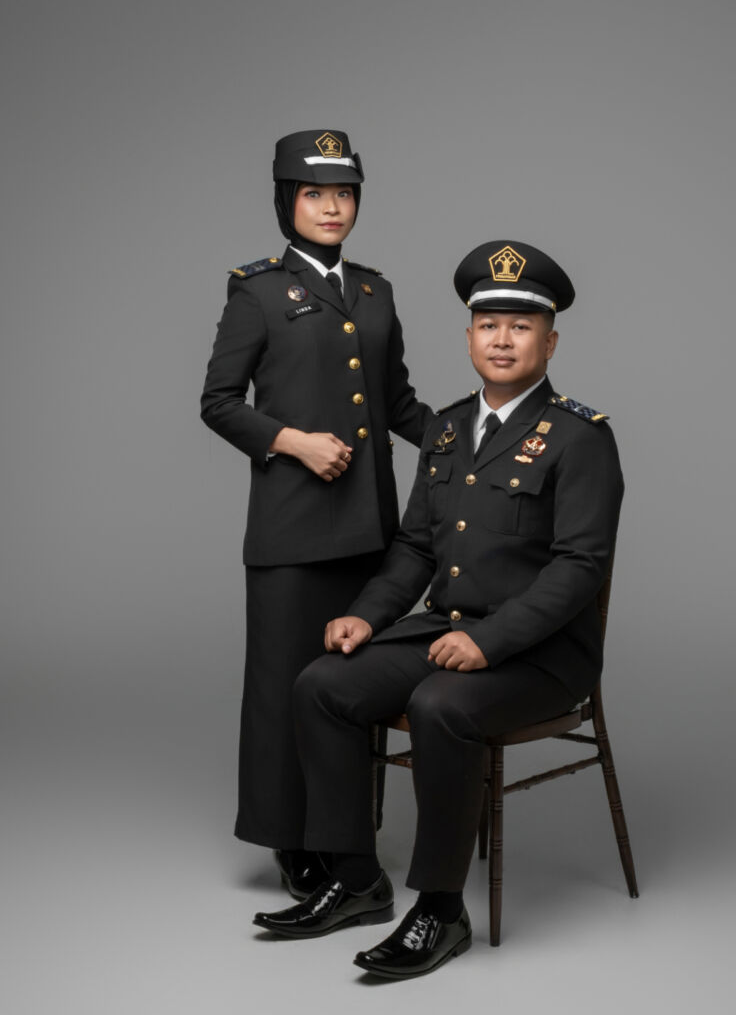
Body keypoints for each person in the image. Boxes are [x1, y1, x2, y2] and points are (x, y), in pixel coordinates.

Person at [253, 239, 624, 979]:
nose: (502, 339)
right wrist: (368, 615)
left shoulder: (580, 437)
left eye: (520, 326)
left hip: (542, 655)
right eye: (488, 325)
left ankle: (440, 910)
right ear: (469, 338)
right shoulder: (448, 431)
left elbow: (580, 568)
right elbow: (416, 548)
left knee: (440, 704)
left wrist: (491, 641)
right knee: (323, 684)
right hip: (447, 632)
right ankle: (355, 879)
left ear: (550, 343)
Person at [200, 129, 432, 899]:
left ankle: (346, 836)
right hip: (293, 529)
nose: (331, 207)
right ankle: (290, 839)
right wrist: (292, 441)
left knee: (349, 689)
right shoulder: (257, 291)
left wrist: (469, 440)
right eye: (314, 194)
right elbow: (218, 402)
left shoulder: (374, 291)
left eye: (343, 194)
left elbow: (396, 403)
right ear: (286, 201)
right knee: (282, 690)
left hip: (369, 527)